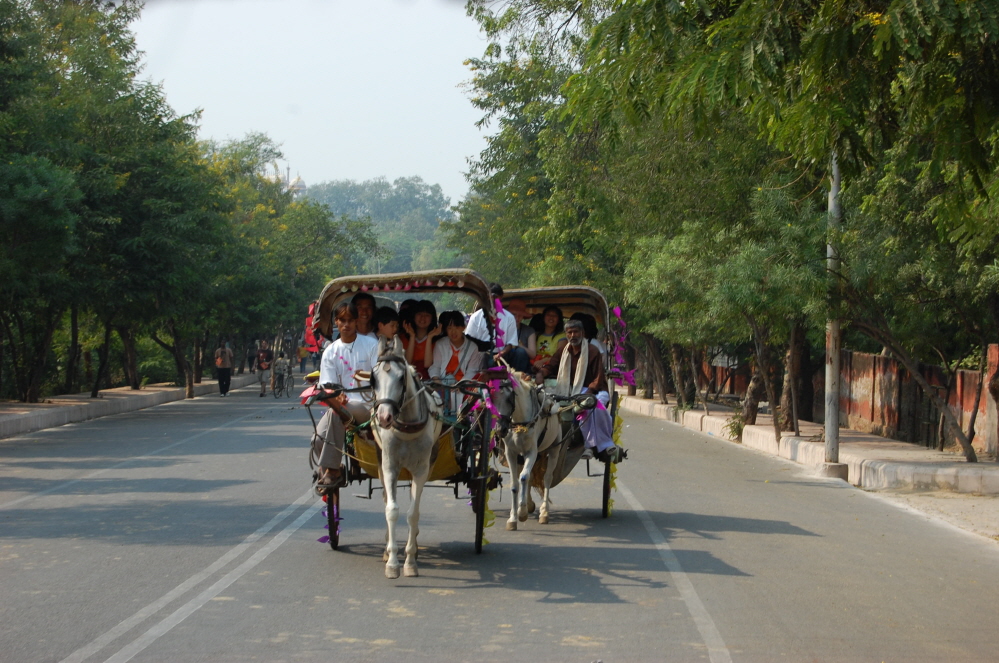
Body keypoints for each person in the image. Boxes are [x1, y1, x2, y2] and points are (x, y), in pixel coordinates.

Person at [536, 319, 625, 463]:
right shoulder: (563, 351)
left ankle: (598, 445)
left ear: (582, 333)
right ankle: (588, 444)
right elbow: (551, 366)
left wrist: (587, 393)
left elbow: (598, 378)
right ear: (566, 334)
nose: (572, 335)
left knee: (592, 407)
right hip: (572, 391)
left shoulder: (592, 350)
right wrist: (541, 373)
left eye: (575, 332)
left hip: (595, 390)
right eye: (569, 332)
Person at [313, 300, 379, 492]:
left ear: (356, 322)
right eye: (342, 320)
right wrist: (337, 395)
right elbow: (328, 385)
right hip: (339, 404)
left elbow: (379, 376)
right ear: (336, 322)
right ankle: (335, 467)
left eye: (350, 320)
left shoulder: (371, 344)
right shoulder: (331, 351)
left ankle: (331, 470)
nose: (346, 324)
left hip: (366, 404)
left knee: (336, 413)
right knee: (317, 440)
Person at [466, 283, 530, 372]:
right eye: (490, 298)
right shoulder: (476, 317)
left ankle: (517, 379)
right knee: (482, 356)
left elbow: (511, 343)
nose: (492, 301)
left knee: (521, 353)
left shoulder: (509, 317)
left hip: (503, 355)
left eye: (495, 298)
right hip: (482, 354)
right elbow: (470, 341)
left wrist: (501, 353)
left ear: (501, 298)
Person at [429, 311, 484, 411]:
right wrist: (437, 381)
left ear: (463, 327)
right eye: (450, 328)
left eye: (457, 327)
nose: (453, 332)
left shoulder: (472, 347)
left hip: (463, 385)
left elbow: (472, 371)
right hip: (443, 382)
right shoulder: (440, 344)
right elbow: (435, 366)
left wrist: (461, 385)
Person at [402, 299, 438, 380]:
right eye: (419, 314)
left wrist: (429, 338)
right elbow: (407, 362)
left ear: (432, 318)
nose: (423, 318)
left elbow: (427, 365)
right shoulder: (403, 338)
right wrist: (412, 336)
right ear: (413, 316)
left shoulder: (437, 341)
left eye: (427, 315)